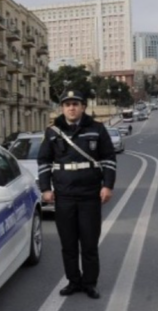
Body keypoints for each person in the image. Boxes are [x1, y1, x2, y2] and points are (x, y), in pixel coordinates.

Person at [37, 90, 117, 299]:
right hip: (64, 196)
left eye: (75, 103)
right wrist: (46, 189)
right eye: (67, 104)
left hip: (90, 195)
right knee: (69, 243)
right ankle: (73, 281)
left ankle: (90, 283)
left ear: (83, 106)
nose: (71, 107)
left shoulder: (97, 129)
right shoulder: (52, 132)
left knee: (89, 244)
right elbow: (44, 161)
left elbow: (108, 158)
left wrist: (107, 186)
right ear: (62, 108)